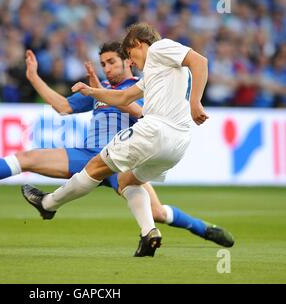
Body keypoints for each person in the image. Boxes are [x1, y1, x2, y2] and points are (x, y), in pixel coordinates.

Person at [0, 41, 233, 253]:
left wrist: (110, 95)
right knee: (27, 158)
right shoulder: (99, 90)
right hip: (88, 155)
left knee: (157, 213)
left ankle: (202, 228)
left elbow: (144, 115)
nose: (107, 67)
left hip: (124, 158)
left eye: (112, 62)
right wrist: (34, 78)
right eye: (103, 63)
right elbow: (62, 106)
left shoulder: (148, 84)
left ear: (129, 61)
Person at [22, 23, 224, 257]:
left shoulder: (160, 48)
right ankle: (149, 233)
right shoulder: (156, 74)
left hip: (154, 131)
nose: (133, 62)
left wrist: (195, 102)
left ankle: (48, 204)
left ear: (138, 44)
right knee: (127, 182)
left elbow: (200, 61)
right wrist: (92, 92)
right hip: (178, 144)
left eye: (130, 55)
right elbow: (125, 96)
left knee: (95, 166)